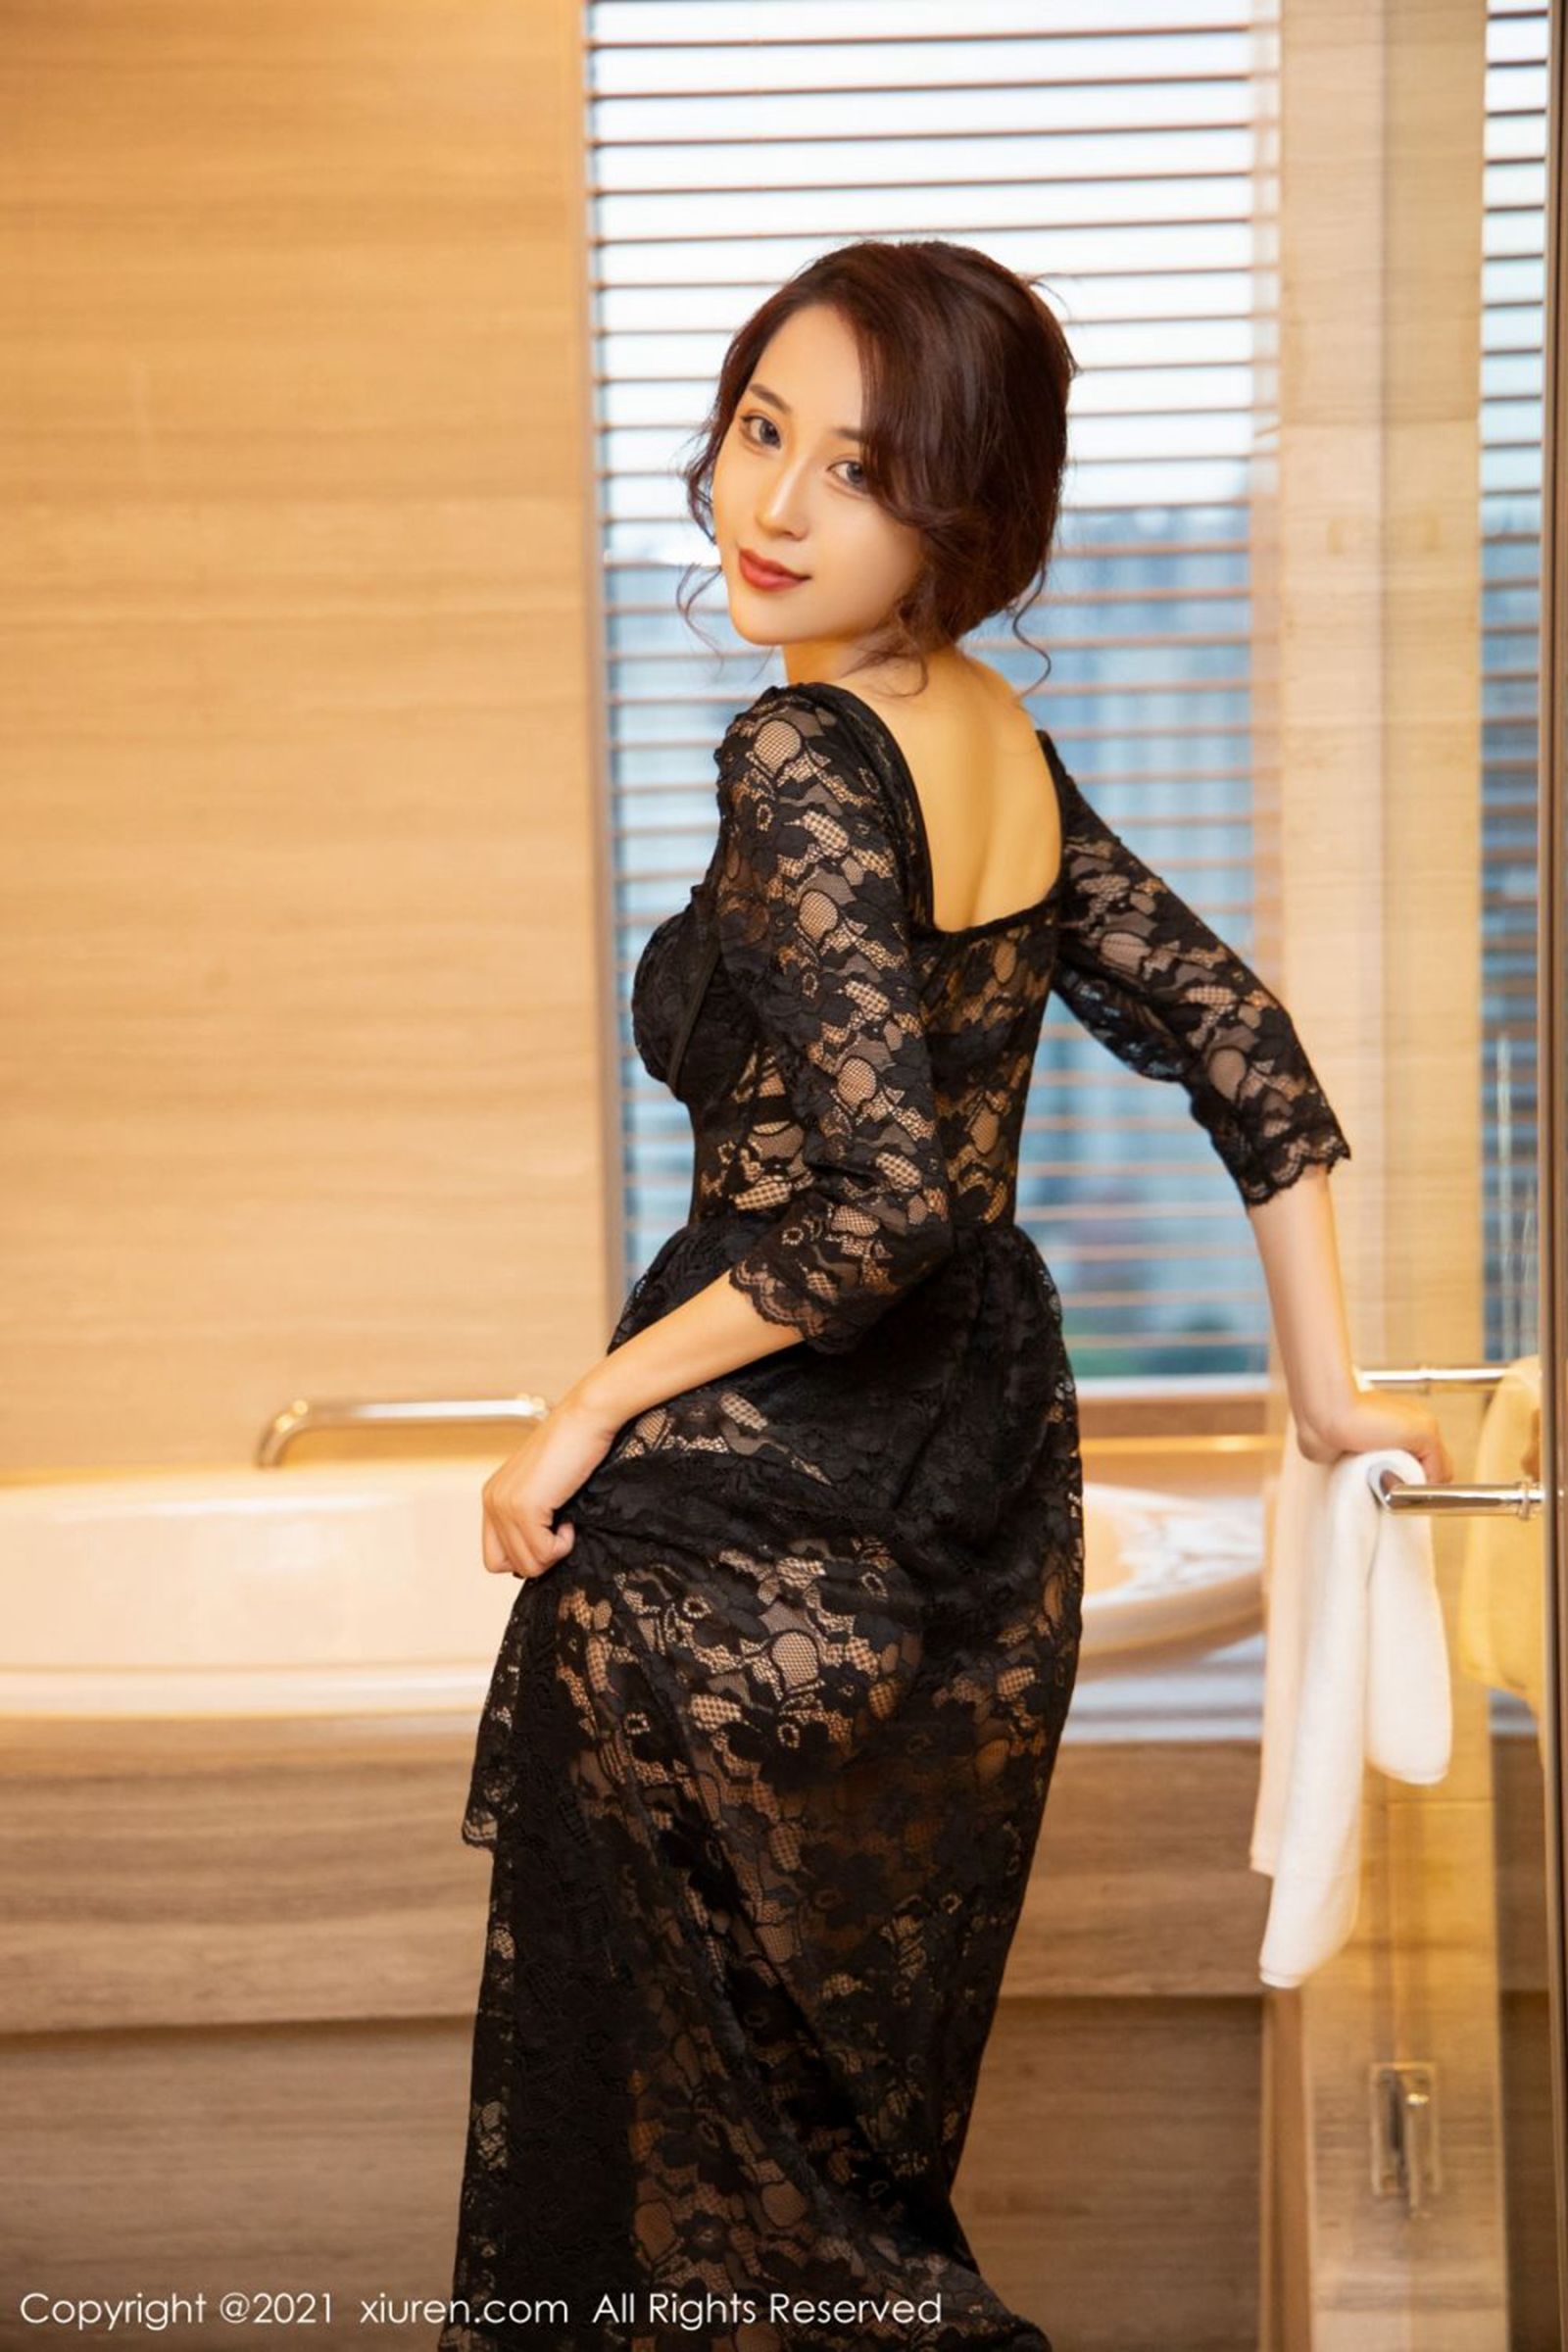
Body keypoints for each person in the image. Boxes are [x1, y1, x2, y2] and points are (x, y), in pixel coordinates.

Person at [437, 241, 1453, 2352]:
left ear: (964, 520)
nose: (774, 506)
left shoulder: (800, 752)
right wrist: (1326, 1396)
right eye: (761, 430)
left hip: (771, 1477)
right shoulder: (993, 736)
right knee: (831, 2147)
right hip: (975, 1486)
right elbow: (1241, 1043)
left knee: (714, 2168)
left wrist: (588, 1404)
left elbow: (875, 1206)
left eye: (859, 471)